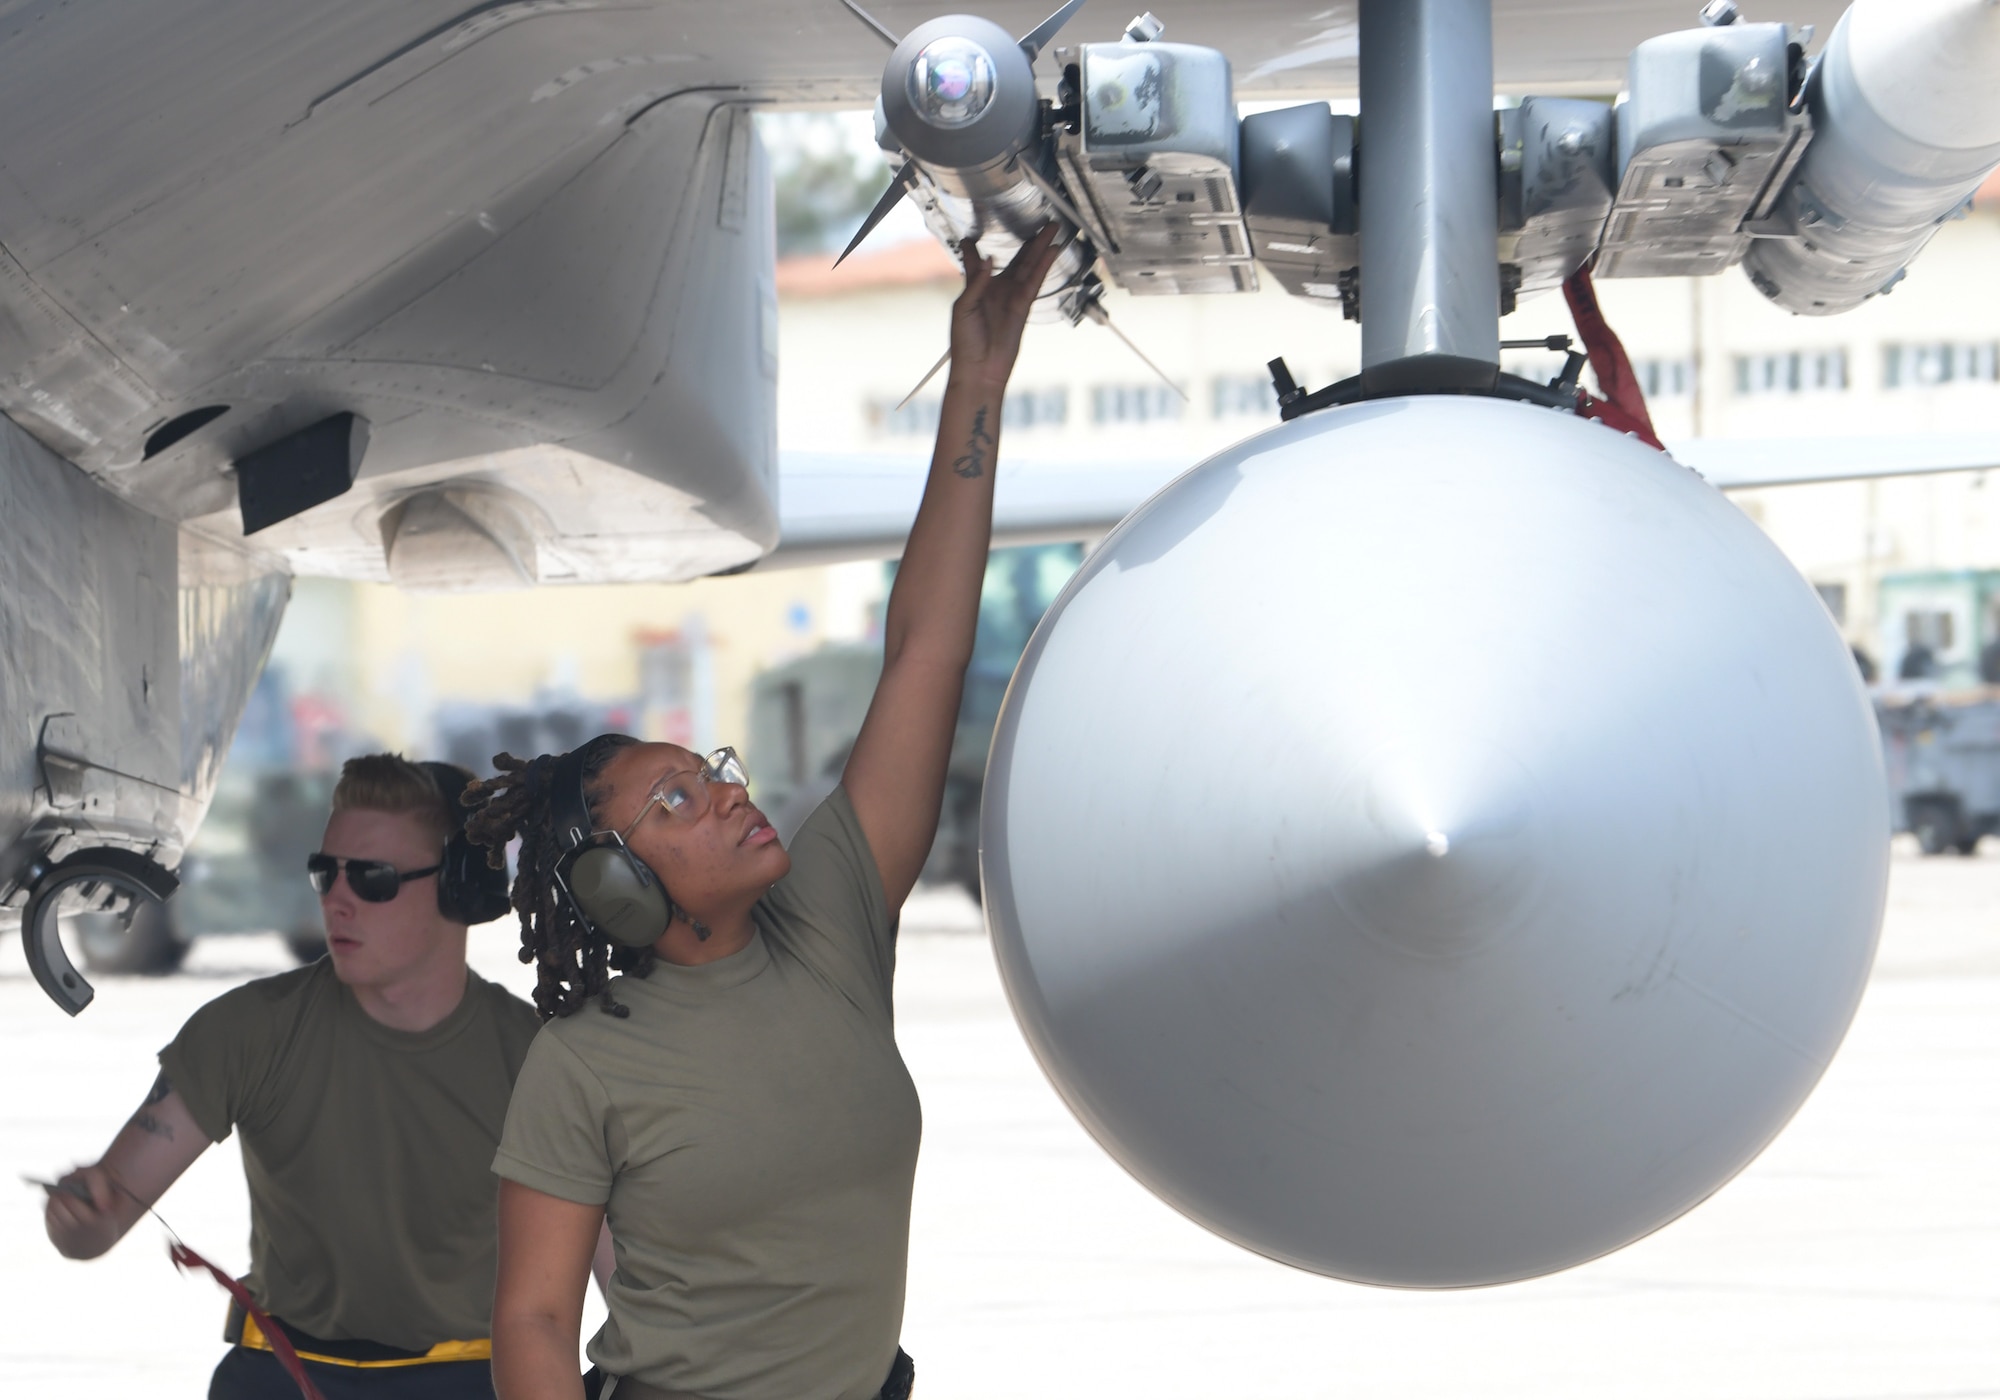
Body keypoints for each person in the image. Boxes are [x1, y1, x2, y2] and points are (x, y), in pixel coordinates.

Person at [474, 223, 1067, 1400]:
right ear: (615, 884)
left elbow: (923, 655)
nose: (728, 791)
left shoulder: (830, 918)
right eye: (677, 799)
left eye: (712, 767)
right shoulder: (583, 1064)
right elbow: (533, 1323)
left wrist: (978, 388)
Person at [42, 754, 546, 1399]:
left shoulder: (536, 1060)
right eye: (325, 872)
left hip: (470, 1377)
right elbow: (102, 1216)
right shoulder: (248, 1031)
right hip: (284, 1372)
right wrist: (80, 1217)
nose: (337, 898)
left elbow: (621, 1283)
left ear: (460, 888)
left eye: (374, 878)